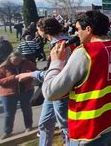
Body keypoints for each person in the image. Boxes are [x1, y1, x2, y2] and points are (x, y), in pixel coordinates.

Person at [42, 10, 111, 145]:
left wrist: (56, 62)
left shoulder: (84, 53)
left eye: (78, 29)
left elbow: (50, 92)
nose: (76, 33)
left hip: (87, 132)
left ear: (88, 29)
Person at [16, 17, 72, 145]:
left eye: (37, 29)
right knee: (45, 123)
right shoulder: (59, 43)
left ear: (43, 30)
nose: (37, 32)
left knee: (65, 126)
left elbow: (59, 73)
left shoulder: (62, 45)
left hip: (61, 92)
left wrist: (32, 74)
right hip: (51, 90)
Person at [0, 52, 36, 140]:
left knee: (27, 110)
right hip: (9, 94)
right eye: (14, 60)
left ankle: (28, 127)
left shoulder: (27, 64)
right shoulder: (3, 67)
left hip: (26, 91)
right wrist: (13, 78)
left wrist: (28, 74)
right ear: (10, 59)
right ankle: (7, 132)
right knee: (9, 113)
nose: (17, 62)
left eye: (19, 60)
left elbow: (36, 72)